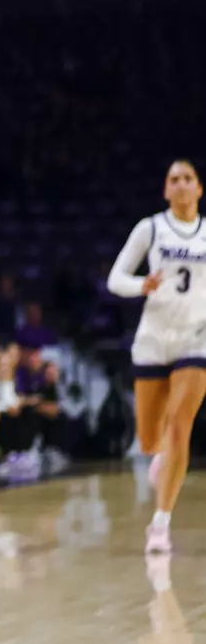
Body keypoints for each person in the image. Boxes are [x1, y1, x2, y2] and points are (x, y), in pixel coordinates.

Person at [108, 160, 206, 555]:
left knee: (181, 425)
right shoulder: (150, 228)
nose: (181, 185)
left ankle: (160, 523)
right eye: (173, 180)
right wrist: (141, 286)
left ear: (200, 189)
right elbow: (116, 279)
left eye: (188, 179)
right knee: (150, 438)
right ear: (165, 191)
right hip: (153, 339)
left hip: (195, 339)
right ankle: (161, 454)